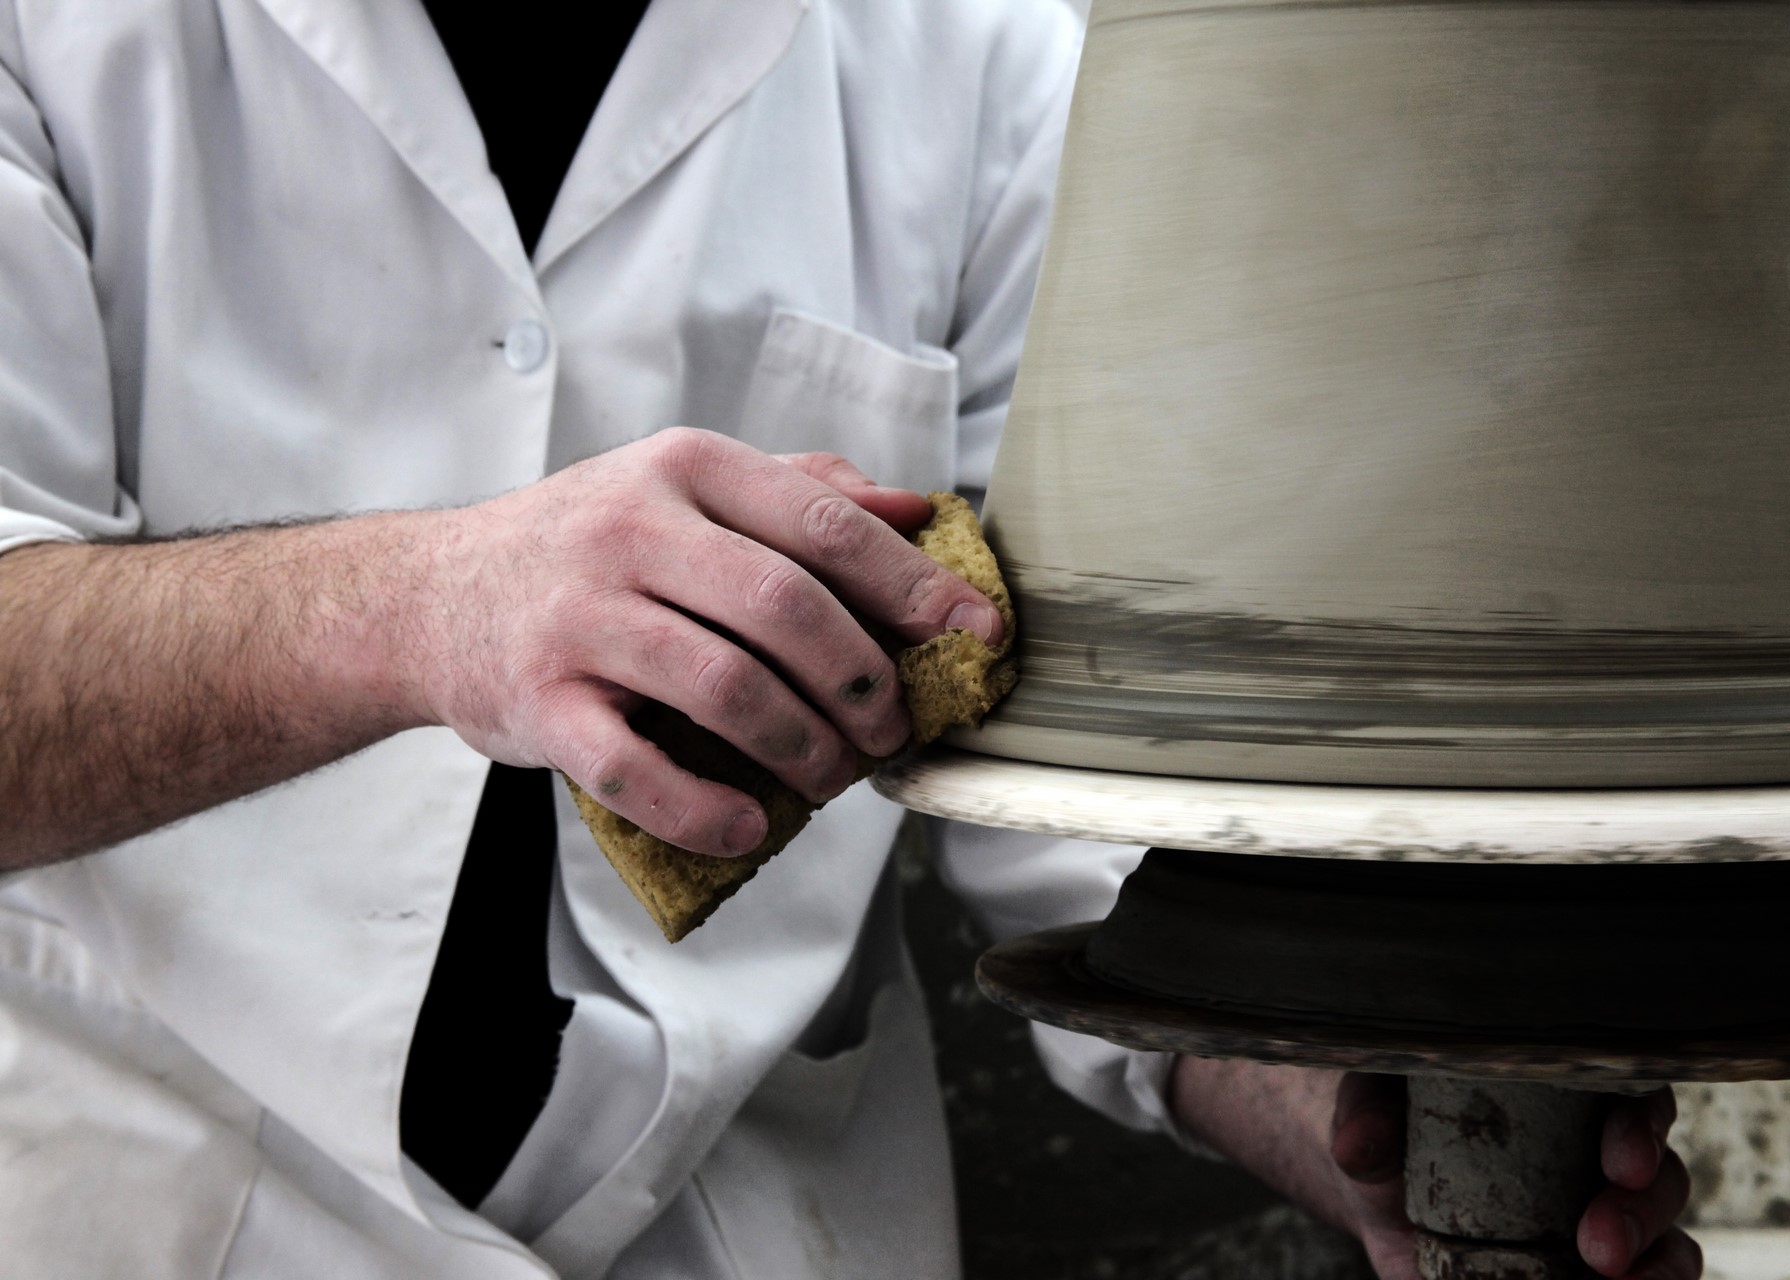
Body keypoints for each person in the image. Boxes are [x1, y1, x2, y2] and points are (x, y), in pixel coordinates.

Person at [0, 2, 1696, 1276]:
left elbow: (1082, 824)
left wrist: (1334, 1119)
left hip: (755, 1230)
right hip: (158, 1207)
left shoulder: (982, 50)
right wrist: (427, 605)